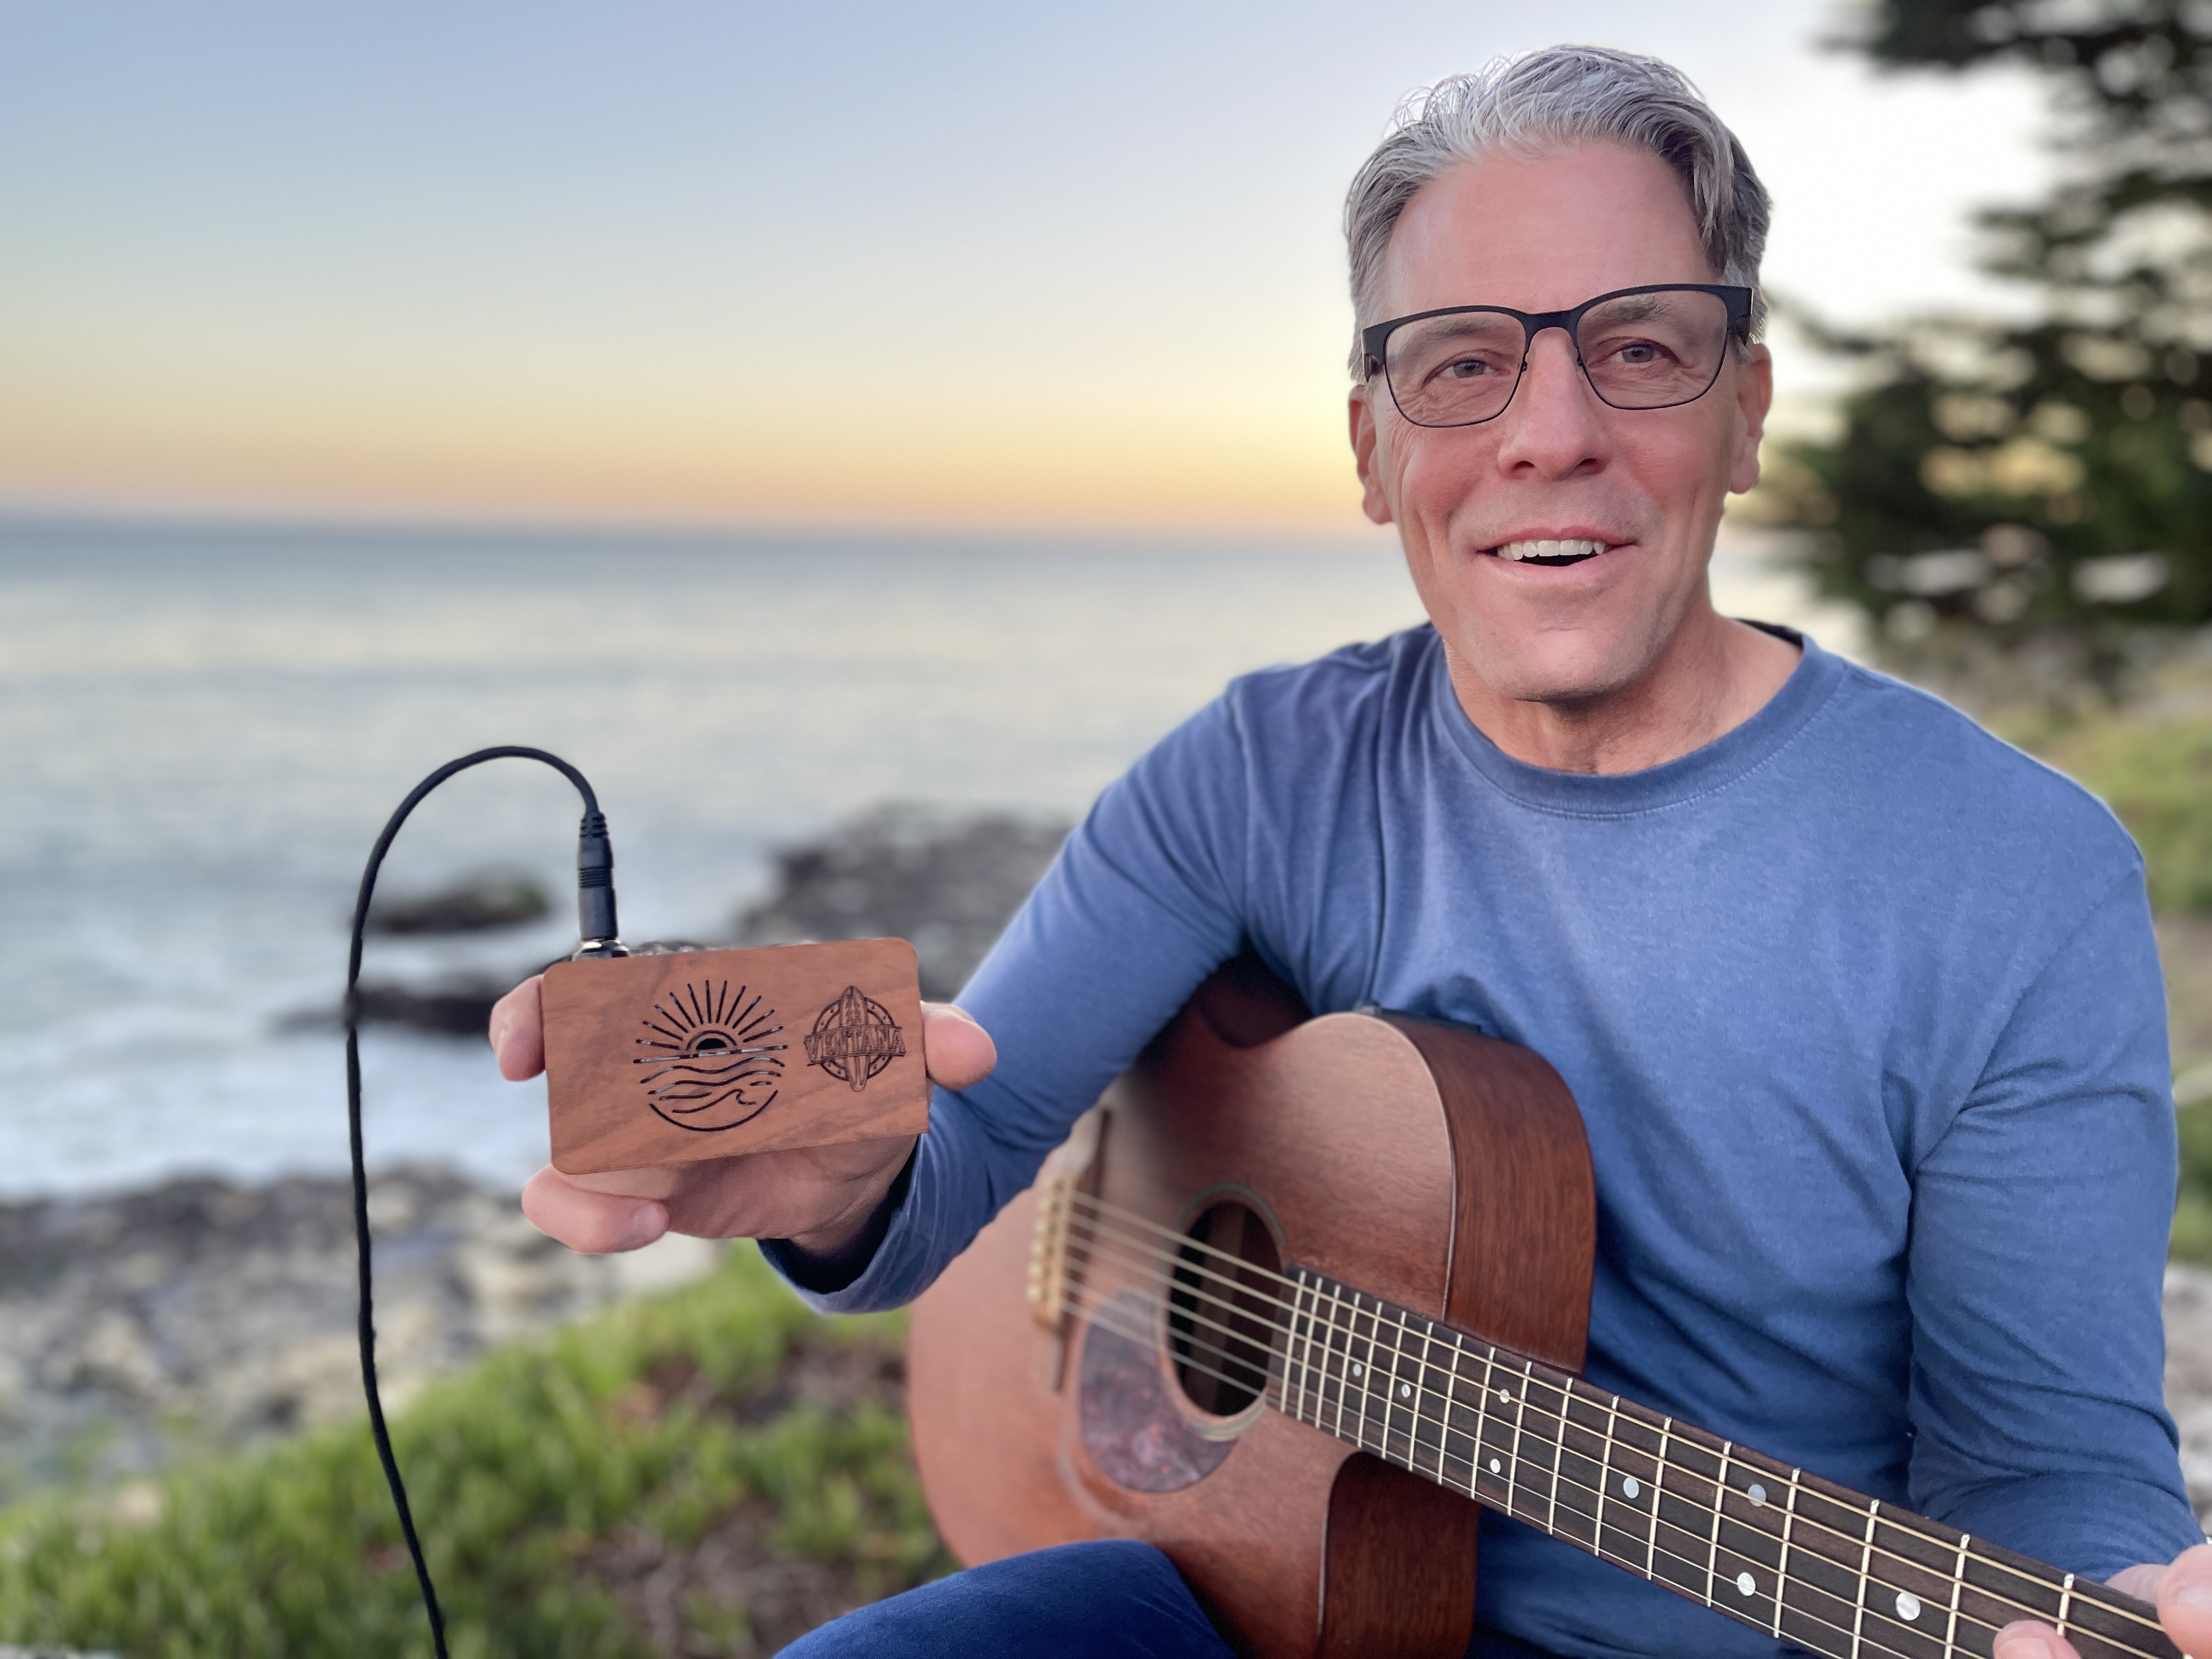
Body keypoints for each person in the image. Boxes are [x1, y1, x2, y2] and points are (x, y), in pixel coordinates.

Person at [488, 46, 2212, 1659]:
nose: (1551, 432)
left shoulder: (2011, 870)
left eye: (1642, 344)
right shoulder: (1256, 774)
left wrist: (2126, 1611)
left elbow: (2046, 1462)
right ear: (1373, 451)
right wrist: (837, 1173)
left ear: (1745, 414)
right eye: (1462, 361)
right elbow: (978, 1144)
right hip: (1250, 1599)